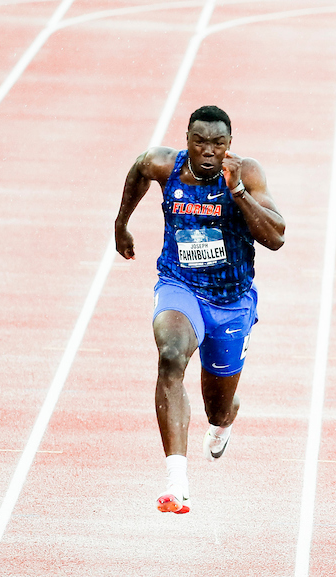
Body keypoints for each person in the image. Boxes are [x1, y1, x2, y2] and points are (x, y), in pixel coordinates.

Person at [113, 105, 285, 514]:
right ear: (187, 140)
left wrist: (238, 193)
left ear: (230, 144)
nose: (208, 151)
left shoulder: (246, 173)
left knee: (218, 405)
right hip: (180, 285)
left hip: (230, 301)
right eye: (199, 142)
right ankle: (176, 480)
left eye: (218, 143)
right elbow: (138, 170)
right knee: (170, 356)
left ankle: (225, 419)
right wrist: (121, 224)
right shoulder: (164, 165)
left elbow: (276, 237)